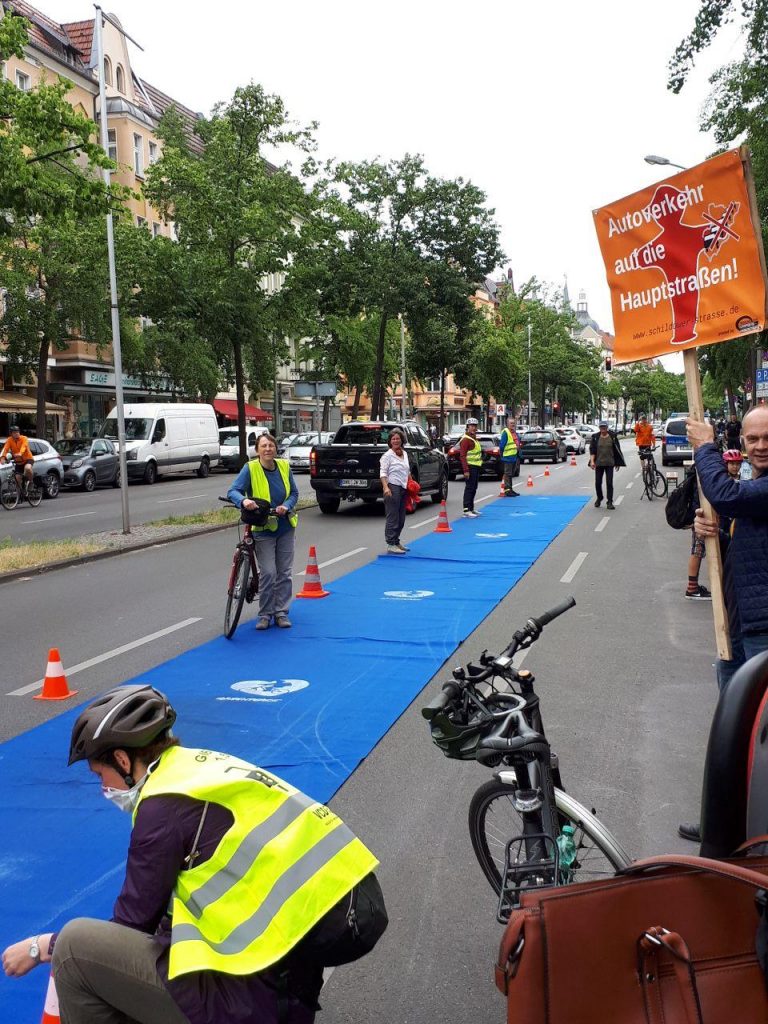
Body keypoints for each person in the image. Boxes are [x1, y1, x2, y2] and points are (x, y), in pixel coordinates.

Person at [2, 685, 385, 1024]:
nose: (104, 789)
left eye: (101, 775)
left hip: (252, 999)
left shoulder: (160, 808)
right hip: (305, 958)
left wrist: (40, 948)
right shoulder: (199, 768)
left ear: (122, 760)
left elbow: (129, 925)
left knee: (74, 947)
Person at [677, 411, 768, 842]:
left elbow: (728, 495)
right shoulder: (754, 480)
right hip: (736, 622)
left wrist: (704, 447)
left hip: (762, 629)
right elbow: (749, 539)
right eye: (752, 438)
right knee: (730, 734)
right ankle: (723, 824)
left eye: (767, 437)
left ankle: (756, 831)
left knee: (760, 737)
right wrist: (718, 532)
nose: (759, 445)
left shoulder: (758, 484)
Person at [228, 433, 299, 630]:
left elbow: (294, 493)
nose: (268, 449)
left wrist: (286, 505)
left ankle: (281, 612)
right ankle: (265, 614)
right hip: (263, 527)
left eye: (271, 446)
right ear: (257, 450)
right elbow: (233, 491)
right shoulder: (250, 468)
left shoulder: (284, 466)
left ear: (276, 448)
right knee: (268, 572)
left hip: (285, 526)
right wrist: (244, 501)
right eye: (263, 446)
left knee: (284, 572)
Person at [379, 428, 411, 554]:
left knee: (401, 517)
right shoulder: (387, 456)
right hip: (392, 487)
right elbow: (382, 473)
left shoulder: (405, 453)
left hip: (403, 487)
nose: (396, 441)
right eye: (393, 439)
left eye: (398, 438)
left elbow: (407, 470)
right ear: (390, 441)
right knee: (393, 517)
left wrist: (411, 481)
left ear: (402, 440)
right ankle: (390, 543)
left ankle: (396, 541)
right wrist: (386, 487)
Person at [588, 420, 625, 510]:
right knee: (598, 483)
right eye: (601, 427)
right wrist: (592, 461)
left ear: (607, 428)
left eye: (604, 427)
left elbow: (617, 450)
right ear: (599, 428)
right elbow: (592, 451)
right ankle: (599, 497)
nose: (603, 429)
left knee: (609, 483)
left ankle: (610, 502)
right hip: (599, 463)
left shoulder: (612, 436)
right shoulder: (596, 437)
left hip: (610, 463)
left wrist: (618, 463)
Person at [0, 424, 34, 494]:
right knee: (17, 479)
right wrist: (2, 458)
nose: (16, 434)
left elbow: (24, 446)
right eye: (14, 432)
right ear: (11, 434)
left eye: (17, 432)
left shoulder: (24, 438)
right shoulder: (9, 440)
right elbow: (5, 449)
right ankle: (20, 495)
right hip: (18, 462)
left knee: (27, 468)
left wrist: (20, 453)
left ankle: (31, 482)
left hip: (28, 459)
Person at [459, 418, 483, 518]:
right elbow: (462, 456)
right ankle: (466, 509)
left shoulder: (474, 438)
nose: (473, 428)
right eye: (471, 426)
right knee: (469, 488)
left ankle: (471, 508)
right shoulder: (465, 440)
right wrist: (466, 470)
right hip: (470, 467)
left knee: (474, 487)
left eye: (475, 426)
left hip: (476, 466)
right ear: (467, 427)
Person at [498, 415, 520, 497]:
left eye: (514, 423)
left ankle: (510, 489)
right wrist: (502, 456)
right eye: (511, 423)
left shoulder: (514, 432)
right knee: (507, 474)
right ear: (507, 424)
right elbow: (501, 446)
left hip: (514, 457)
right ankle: (507, 490)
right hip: (507, 457)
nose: (513, 424)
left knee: (511, 474)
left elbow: (516, 443)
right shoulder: (506, 432)